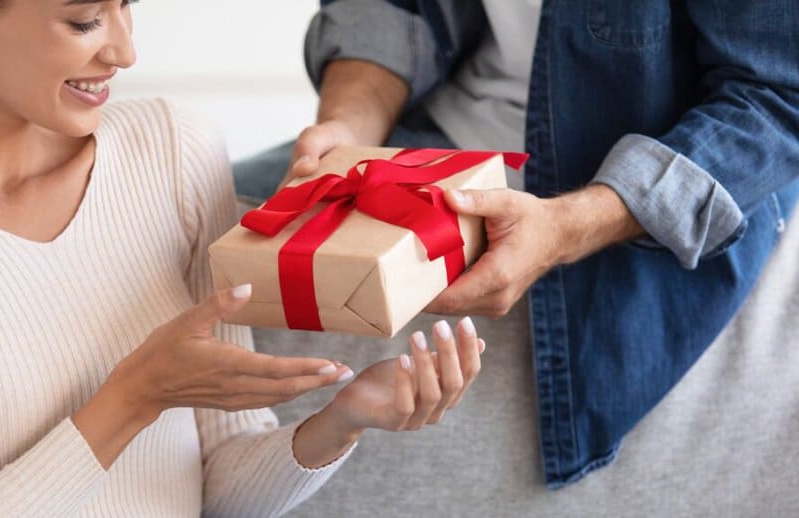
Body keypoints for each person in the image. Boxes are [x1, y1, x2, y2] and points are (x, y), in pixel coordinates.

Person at [0, 1, 486, 516]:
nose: (124, 52)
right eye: (87, 21)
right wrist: (134, 398)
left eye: (128, 9)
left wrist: (343, 420)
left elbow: (221, 481)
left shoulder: (171, 151)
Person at [234, 0, 799, 514]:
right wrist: (350, 126)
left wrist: (565, 229)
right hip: (438, 139)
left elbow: (777, 93)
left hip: (635, 171)